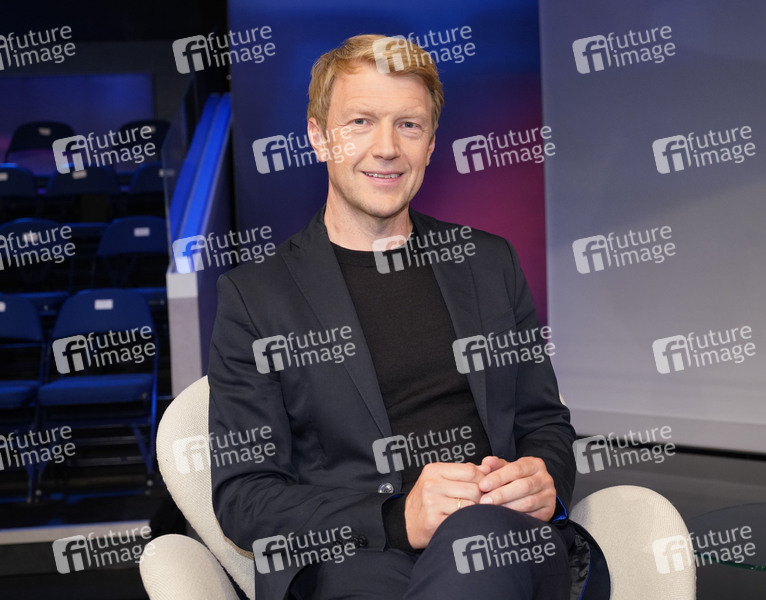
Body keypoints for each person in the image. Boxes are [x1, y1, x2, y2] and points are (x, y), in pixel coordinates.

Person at [208, 34, 606, 600]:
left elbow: (544, 423)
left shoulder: (488, 263)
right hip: (353, 559)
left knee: (480, 542)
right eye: (360, 122)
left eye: (409, 125)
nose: (387, 148)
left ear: (431, 142)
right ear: (319, 137)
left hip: (505, 542)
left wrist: (545, 479)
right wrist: (397, 518)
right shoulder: (255, 296)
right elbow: (245, 497)